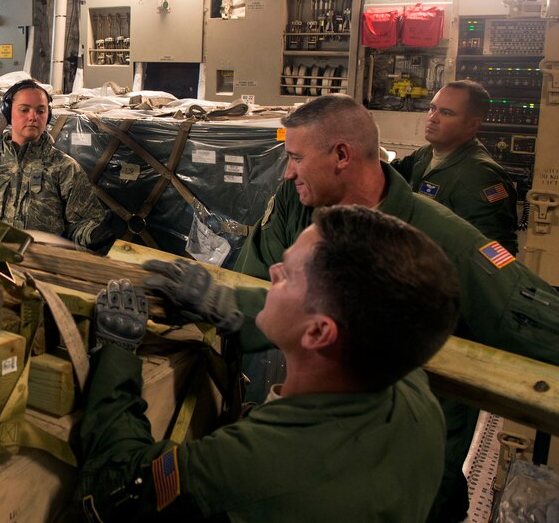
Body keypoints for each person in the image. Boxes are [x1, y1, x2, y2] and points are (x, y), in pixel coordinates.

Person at [232, 93, 559, 522]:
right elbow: (253, 281)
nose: (288, 170)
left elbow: (535, 323)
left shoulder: (448, 241)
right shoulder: (298, 204)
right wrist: (209, 305)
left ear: (342, 155)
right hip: (324, 438)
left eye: (295, 157)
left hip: (411, 446)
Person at [77, 205, 461, 521]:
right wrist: (228, 305)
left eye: (288, 276)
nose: (272, 272)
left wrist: (115, 354)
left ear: (317, 334)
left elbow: (113, 487)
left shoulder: (251, 464)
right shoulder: (412, 390)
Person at [0, 79, 113, 250]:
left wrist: (93, 233)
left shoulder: (64, 167)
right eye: (24, 110)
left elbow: (81, 225)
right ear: (8, 113)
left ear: (48, 115)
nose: (33, 116)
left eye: (40, 110)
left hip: (44, 264)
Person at [391, 80, 519, 252]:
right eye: (432, 108)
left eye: (446, 113)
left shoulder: (482, 176)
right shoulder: (425, 154)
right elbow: (388, 174)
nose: (432, 117)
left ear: (472, 124)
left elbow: (496, 251)